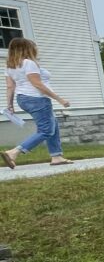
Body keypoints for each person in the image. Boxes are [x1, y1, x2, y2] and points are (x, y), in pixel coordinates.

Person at [3, 38, 73, 169]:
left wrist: (10, 105)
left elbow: (10, 87)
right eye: (33, 47)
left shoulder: (10, 66)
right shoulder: (28, 63)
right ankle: (13, 152)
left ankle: (56, 156)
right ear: (27, 48)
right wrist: (59, 99)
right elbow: (37, 84)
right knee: (46, 130)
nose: (36, 49)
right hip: (37, 99)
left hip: (22, 98)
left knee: (53, 125)